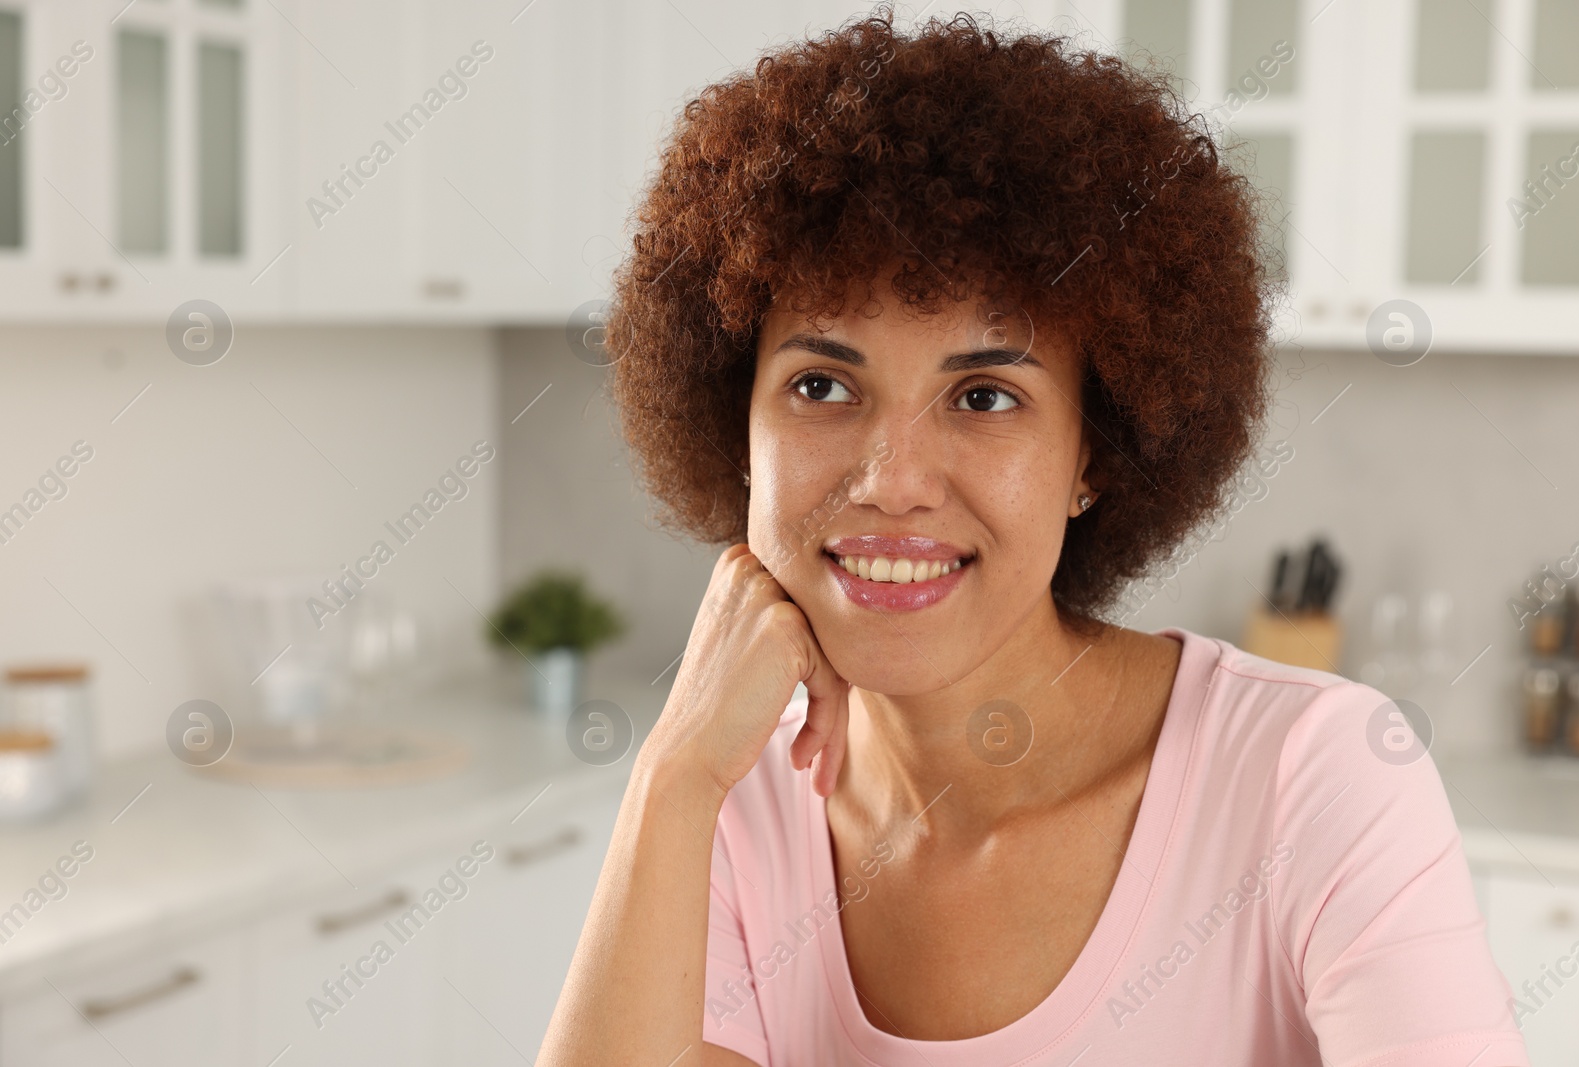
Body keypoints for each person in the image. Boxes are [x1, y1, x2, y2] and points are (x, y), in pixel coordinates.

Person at [537, 8, 1529, 1065]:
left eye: (983, 396)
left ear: (1092, 454)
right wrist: (672, 776)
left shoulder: (1312, 775)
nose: (892, 481)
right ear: (737, 431)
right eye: (821, 385)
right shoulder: (733, 803)